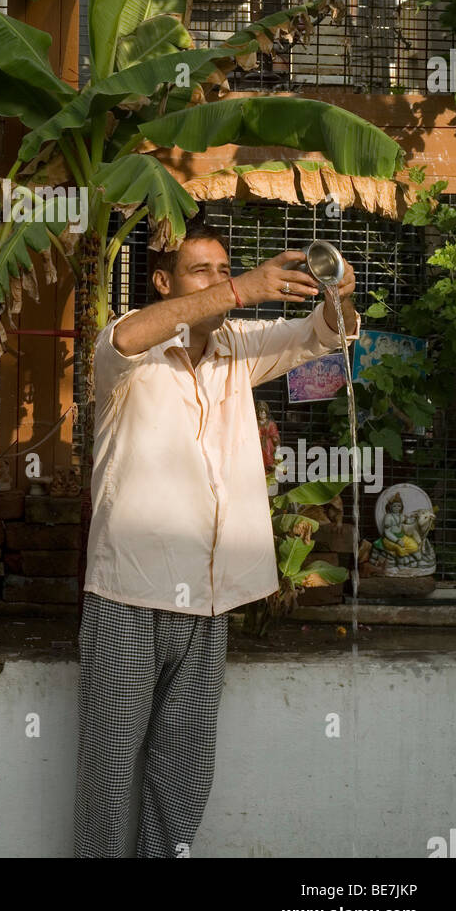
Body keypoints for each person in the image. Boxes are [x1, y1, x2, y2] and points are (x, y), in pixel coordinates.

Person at [73, 216, 360, 858]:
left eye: (225, 269)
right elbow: (125, 335)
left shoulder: (240, 348)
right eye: (201, 271)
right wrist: (242, 289)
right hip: (128, 598)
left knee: (183, 772)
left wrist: (334, 284)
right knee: (110, 776)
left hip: (207, 602)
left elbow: (329, 335)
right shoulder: (130, 349)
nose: (220, 280)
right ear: (162, 281)